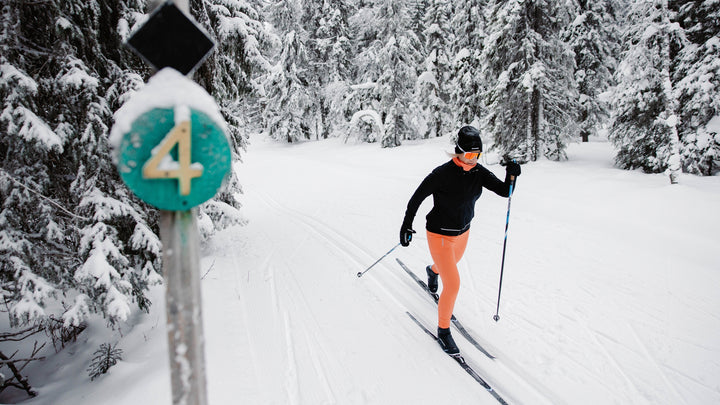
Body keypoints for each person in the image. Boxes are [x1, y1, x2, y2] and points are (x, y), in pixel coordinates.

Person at [399, 125, 521, 355]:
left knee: (448, 267)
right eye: (469, 155)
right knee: (453, 283)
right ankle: (443, 331)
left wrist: (512, 174)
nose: (473, 160)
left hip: (463, 233)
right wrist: (406, 224)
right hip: (439, 234)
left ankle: (432, 271)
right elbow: (416, 198)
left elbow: (505, 191)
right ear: (458, 151)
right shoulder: (441, 174)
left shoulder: (479, 172)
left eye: (477, 155)